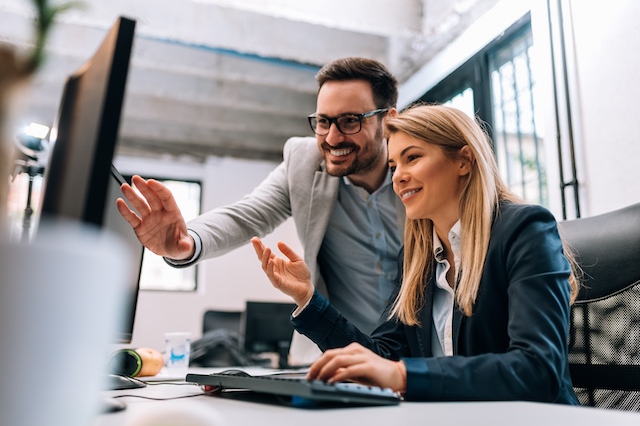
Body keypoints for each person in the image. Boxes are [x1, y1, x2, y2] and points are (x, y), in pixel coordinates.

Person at [251, 104, 581, 403]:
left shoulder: (525, 230)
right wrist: (309, 300)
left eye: (413, 158)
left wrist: (403, 376)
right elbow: (380, 357)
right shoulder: (416, 258)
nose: (398, 177)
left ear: (463, 161)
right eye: (394, 165)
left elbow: (538, 369)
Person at [116, 57, 405, 362]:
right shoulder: (304, 162)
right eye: (323, 121)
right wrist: (187, 241)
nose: (332, 138)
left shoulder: (420, 169)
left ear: (388, 120)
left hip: (419, 354)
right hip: (336, 354)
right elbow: (247, 214)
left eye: (350, 121)